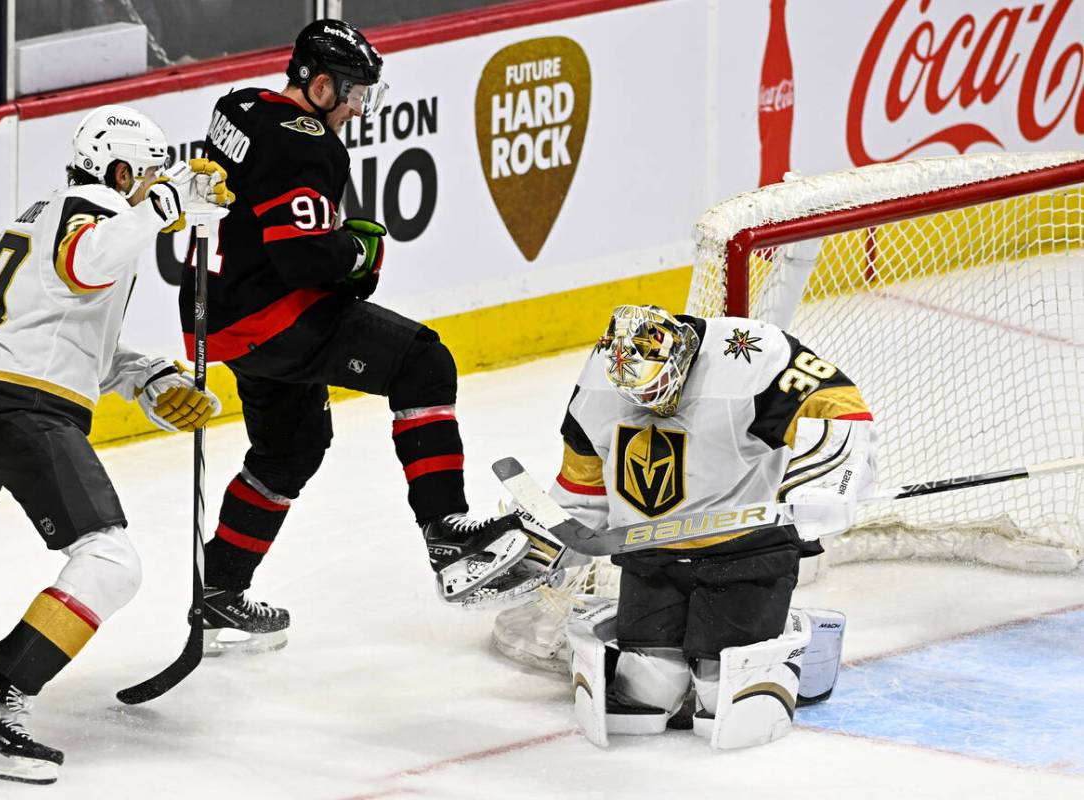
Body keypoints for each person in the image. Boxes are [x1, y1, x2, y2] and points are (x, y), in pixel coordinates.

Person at [178, 19, 535, 654]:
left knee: (290, 452)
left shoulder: (236, 106)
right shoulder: (309, 144)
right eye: (352, 93)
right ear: (318, 86)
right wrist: (357, 253)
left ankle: (219, 594)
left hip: (217, 317)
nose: (357, 107)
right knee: (422, 362)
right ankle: (447, 534)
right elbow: (307, 260)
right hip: (274, 315)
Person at [0, 104, 226, 785]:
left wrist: (146, 378)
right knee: (110, 562)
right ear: (119, 173)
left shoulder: (43, 213)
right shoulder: (89, 211)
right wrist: (166, 205)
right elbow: (89, 263)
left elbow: (69, 335)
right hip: (19, 408)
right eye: (145, 177)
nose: (150, 188)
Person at [543, 304, 875, 748]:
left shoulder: (753, 356)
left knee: (729, 698)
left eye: (659, 388)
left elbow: (840, 409)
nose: (651, 403)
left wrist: (824, 482)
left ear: (681, 357)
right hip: (651, 555)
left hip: (745, 552)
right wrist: (544, 546)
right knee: (645, 688)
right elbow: (581, 486)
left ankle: (794, 645)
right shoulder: (603, 379)